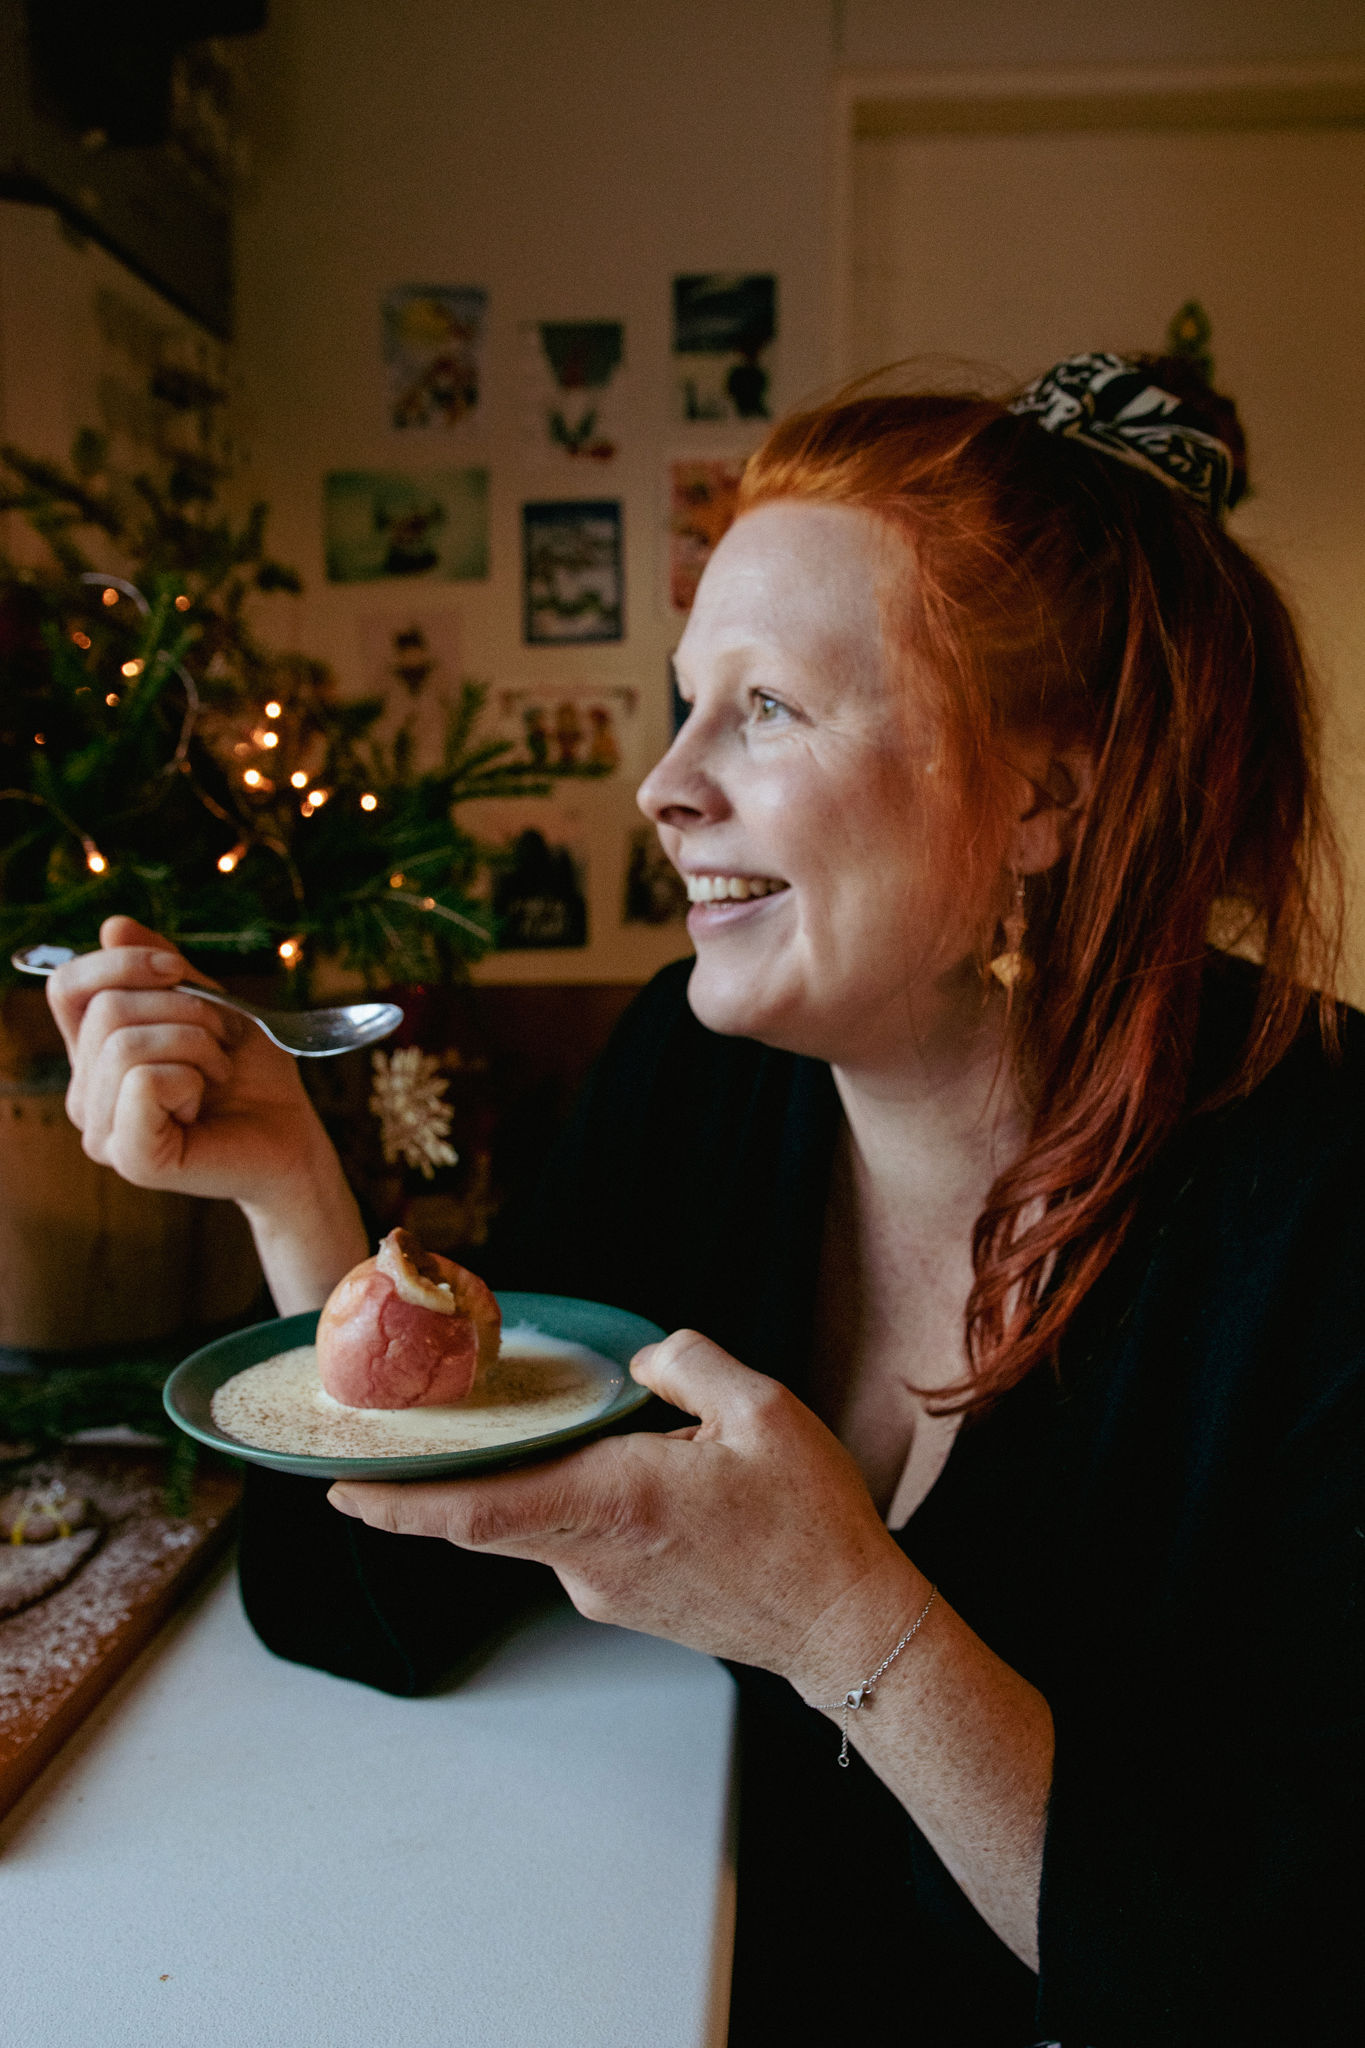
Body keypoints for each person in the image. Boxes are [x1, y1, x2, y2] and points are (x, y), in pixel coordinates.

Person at [48, 354, 1363, 2046]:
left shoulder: (1319, 1201)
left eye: (767, 707)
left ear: (1046, 794)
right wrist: (297, 1196)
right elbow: (384, 1612)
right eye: (685, 701)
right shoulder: (701, 1083)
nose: (664, 786)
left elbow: (1281, 1975)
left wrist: (839, 1620)